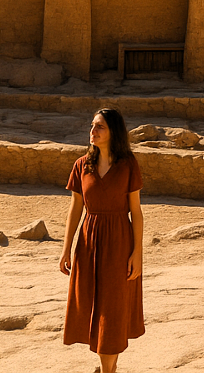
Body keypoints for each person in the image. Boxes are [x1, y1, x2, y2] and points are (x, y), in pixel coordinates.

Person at [60, 107, 145, 372]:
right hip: (89, 241)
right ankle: (109, 367)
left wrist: (138, 253)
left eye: (100, 127)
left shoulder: (128, 164)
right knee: (92, 304)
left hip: (120, 241)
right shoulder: (81, 165)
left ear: (113, 132)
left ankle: (108, 369)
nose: (93, 131)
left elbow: (136, 212)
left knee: (114, 306)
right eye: (92, 125)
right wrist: (66, 249)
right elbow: (76, 209)